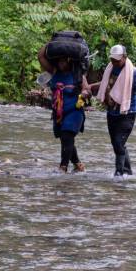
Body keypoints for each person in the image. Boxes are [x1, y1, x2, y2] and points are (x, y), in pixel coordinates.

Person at [90, 45, 136, 177]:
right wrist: (90, 86)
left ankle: (119, 173)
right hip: (112, 111)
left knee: (118, 142)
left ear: (125, 57)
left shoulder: (135, 73)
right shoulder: (111, 69)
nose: (115, 62)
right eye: (112, 59)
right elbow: (104, 83)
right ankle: (128, 171)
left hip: (127, 112)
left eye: (117, 60)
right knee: (117, 143)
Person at [38, 43, 91, 173]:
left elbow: (87, 90)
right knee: (65, 139)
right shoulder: (54, 71)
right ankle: (78, 165)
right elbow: (41, 57)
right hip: (59, 112)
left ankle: (63, 167)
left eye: (63, 61)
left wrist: (84, 93)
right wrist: (50, 44)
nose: (61, 64)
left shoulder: (77, 75)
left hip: (74, 111)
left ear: (69, 61)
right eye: (59, 61)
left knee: (67, 136)